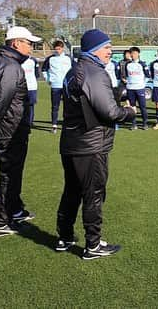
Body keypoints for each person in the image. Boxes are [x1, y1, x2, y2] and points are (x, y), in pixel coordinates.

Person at [56, 29, 137, 260]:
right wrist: (129, 112)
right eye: (106, 47)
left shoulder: (74, 71)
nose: (110, 51)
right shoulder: (94, 72)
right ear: (93, 49)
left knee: (71, 191)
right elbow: (109, 112)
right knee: (93, 194)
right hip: (90, 144)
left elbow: (88, 103)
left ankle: (64, 237)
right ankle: (93, 245)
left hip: (71, 141)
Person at [0, 26, 42, 237]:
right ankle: (1, 222)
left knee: (13, 172)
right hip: (9, 129)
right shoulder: (10, 66)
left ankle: (15, 209)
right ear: (15, 43)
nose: (31, 47)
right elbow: (0, 100)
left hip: (8, 127)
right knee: (9, 174)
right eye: (28, 43)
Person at [42, 40, 73, 134]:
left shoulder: (68, 58)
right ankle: (54, 125)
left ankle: (67, 124)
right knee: (55, 106)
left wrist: (71, 81)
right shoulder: (50, 59)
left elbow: (74, 70)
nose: (57, 51)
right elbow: (44, 70)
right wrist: (48, 79)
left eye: (59, 49)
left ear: (62, 48)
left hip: (66, 86)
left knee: (68, 106)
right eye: (55, 49)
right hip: (55, 86)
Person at [122, 46, 150, 130]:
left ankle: (145, 123)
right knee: (132, 106)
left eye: (134, 53)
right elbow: (127, 75)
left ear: (138, 54)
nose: (133, 55)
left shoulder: (142, 64)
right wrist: (127, 82)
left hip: (140, 88)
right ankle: (134, 124)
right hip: (130, 88)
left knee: (142, 107)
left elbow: (148, 76)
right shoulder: (128, 64)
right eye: (131, 53)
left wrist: (143, 84)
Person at [21, 54, 41, 127]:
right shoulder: (19, 60)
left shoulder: (33, 60)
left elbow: (37, 74)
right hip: (21, 86)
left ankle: (30, 121)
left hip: (32, 86)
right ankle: (22, 121)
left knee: (31, 105)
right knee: (20, 104)